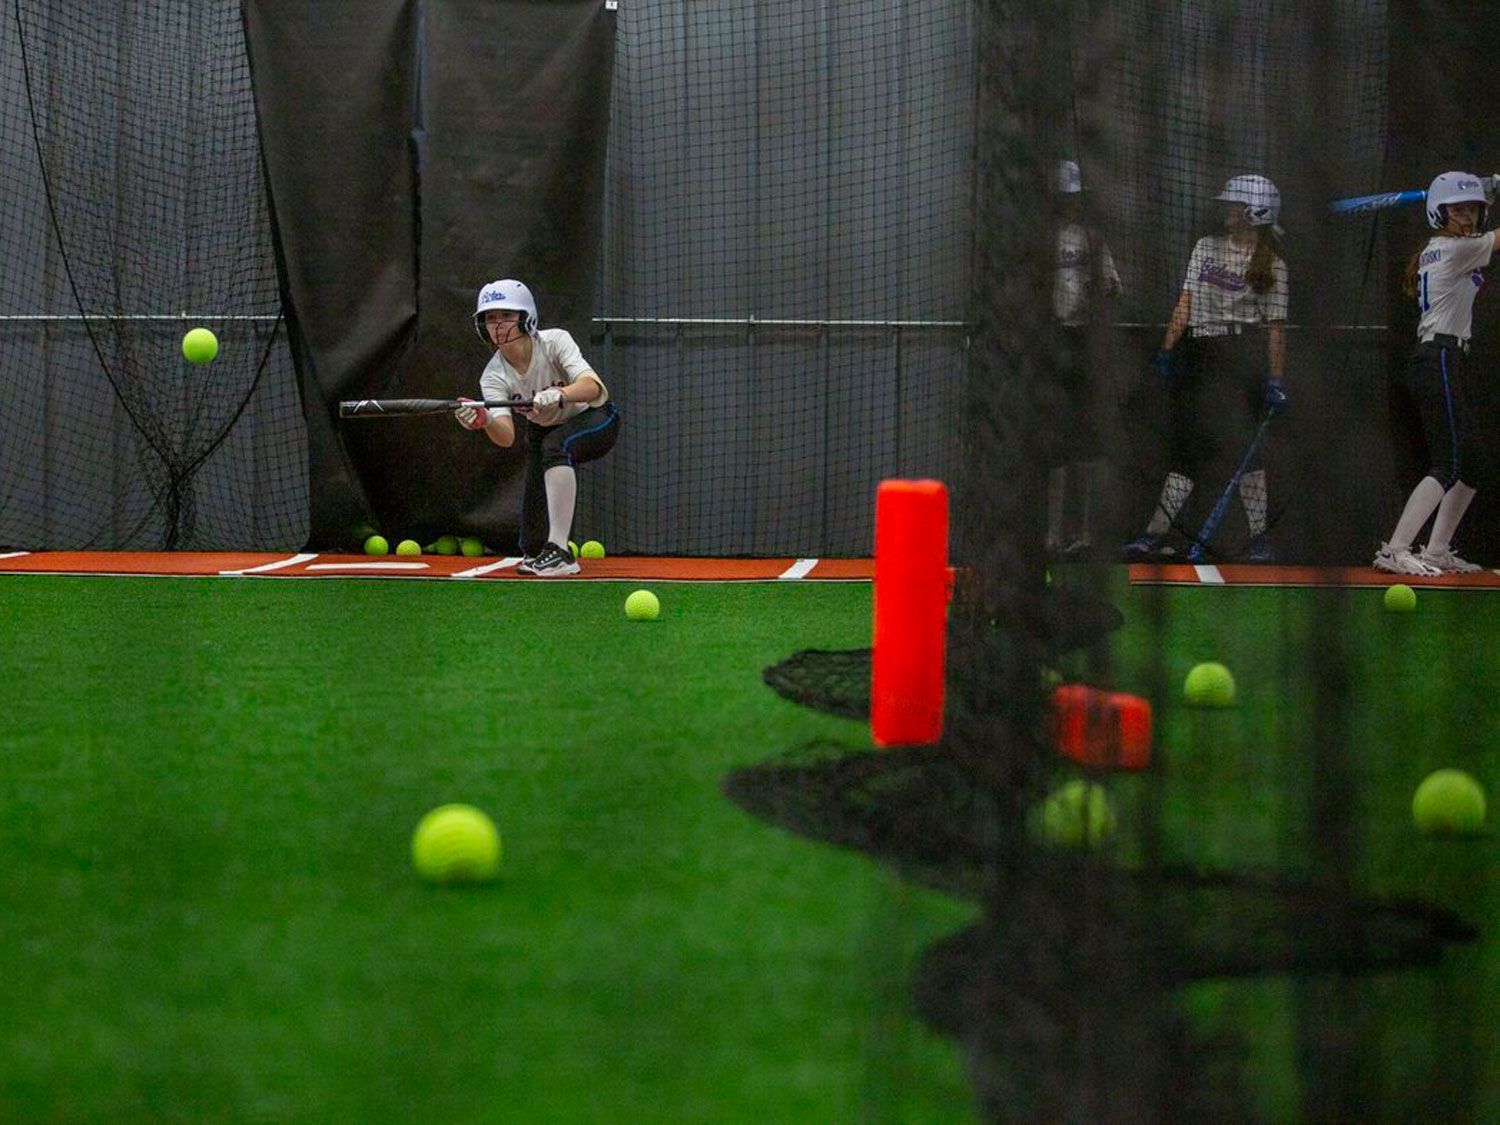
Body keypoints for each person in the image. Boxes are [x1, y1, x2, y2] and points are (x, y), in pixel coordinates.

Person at [1124, 174, 1288, 563]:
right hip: (1201, 351)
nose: (1227, 210)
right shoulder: (1205, 246)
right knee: (1186, 448)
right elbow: (1186, 302)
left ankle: (1259, 539)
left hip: (1240, 353)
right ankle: (1154, 534)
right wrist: (1167, 349)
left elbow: (1275, 329)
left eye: (1235, 204)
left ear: (1255, 211)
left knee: (1248, 452)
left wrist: (1276, 379)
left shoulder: (1273, 265)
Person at [1374, 171, 1499, 576]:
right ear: (1439, 214)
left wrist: (1488, 190)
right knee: (1447, 463)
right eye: (1457, 211)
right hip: (1438, 357)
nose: (1467, 218)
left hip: (1448, 358)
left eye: (1473, 210)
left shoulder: (1449, 246)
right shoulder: (1453, 249)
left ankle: (1436, 551)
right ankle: (1395, 549)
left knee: (1474, 463)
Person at [454, 279, 619, 577]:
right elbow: (506, 436)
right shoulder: (493, 376)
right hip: (543, 433)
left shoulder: (554, 341)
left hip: (594, 418)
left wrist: (560, 394)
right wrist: (485, 421)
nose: (498, 325)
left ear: (525, 317)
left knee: (557, 446)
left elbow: (592, 388)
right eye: (490, 318)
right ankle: (545, 548)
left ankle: (561, 552)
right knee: (531, 546)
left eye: (506, 316)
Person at [1048, 159, 1122, 559]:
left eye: (1076, 197)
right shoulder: (1044, 239)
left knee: (1086, 440)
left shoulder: (1093, 240)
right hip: (1052, 340)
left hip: (1083, 343)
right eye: (1066, 197)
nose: (1071, 204)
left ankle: (1086, 532)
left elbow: (1111, 287)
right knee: (1053, 441)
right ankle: (1053, 534)